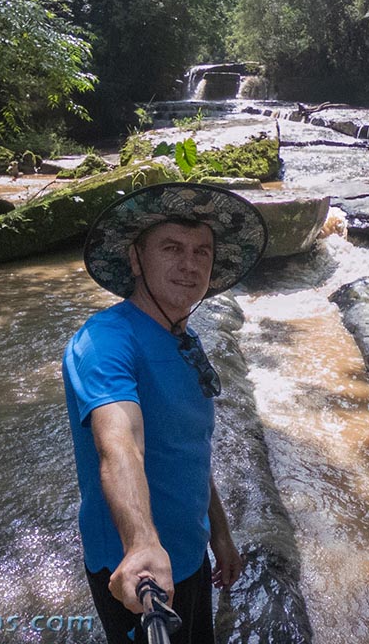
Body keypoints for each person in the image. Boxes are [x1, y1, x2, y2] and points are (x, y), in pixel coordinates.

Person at [62, 182, 268, 643]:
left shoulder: (185, 338)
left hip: (187, 554)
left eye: (202, 251)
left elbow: (187, 446)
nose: (190, 264)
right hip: (139, 576)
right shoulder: (105, 343)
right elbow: (121, 444)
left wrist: (219, 534)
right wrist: (141, 545)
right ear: (136, 259)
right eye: (171, 248)